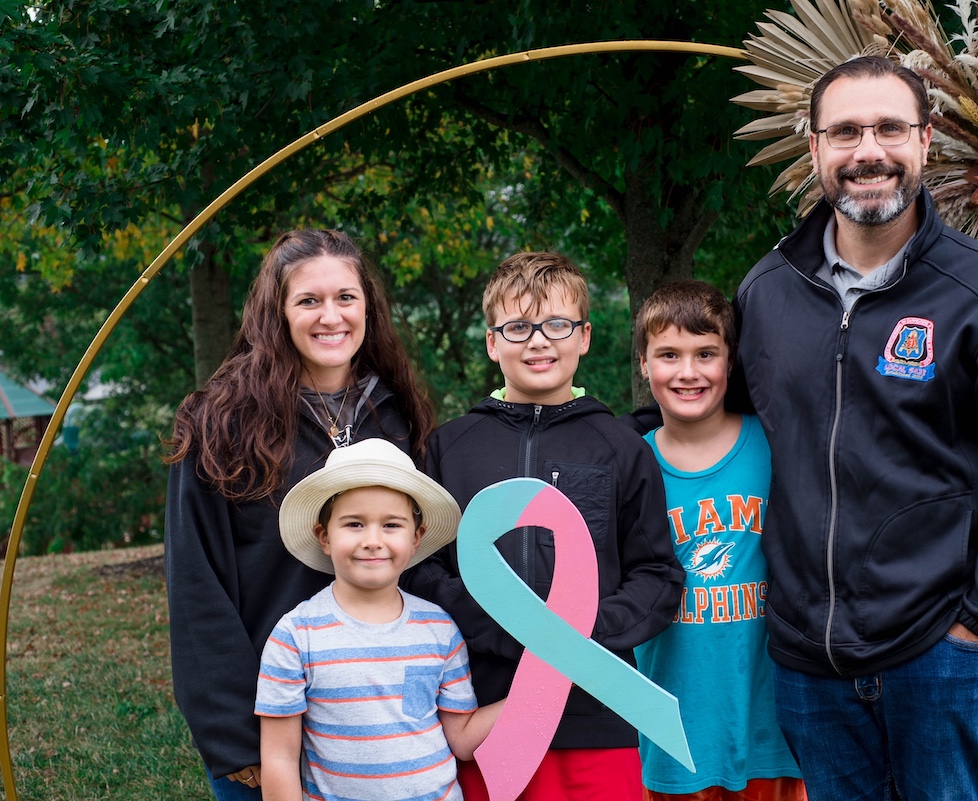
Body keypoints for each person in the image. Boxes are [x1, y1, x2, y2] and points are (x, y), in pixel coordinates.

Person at [732, 56, 978, 800]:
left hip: (941, 647)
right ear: (815, 147)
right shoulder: (767, 291)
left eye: (889, 128)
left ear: (924, 140)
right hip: (808, 657)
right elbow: (722, 421)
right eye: (846, 132)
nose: (869, 151)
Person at [165, 229, 435, 800]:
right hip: (270, 729)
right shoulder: (221, 424)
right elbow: (195, 585)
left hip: (380, 725)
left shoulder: (397, 415)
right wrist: (235, 739)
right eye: (309, 300)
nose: (330, 316)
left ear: (368, 308)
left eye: (345, 297)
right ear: (278, 313)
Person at [404, 251, 684, 801]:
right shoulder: (449, 448)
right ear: (492, 342)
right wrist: (509, 631)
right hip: (484, 714)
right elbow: (422, 570)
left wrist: (577, 639)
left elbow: (656, 576)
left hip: (595, 722)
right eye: (518, 327)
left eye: (557, 324)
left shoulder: (621, 448)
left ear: (584, 337)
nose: (538, 342)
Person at [632, 280, 807, 801]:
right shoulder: (630, 467)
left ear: (731, 361)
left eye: (706, 353)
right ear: (643, 364)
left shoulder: (776, 449)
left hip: (773, 730)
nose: (688, 372)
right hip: (676, 733)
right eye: (669, 355)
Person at [256, 437, 504, 801]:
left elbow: (463, 740)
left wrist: (544, 684)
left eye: (391, 525)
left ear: (416, 538)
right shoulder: (296, 636)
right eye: (354, 524)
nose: (373, 540)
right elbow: (279, 758)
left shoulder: (439, 630)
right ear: (324, 536)